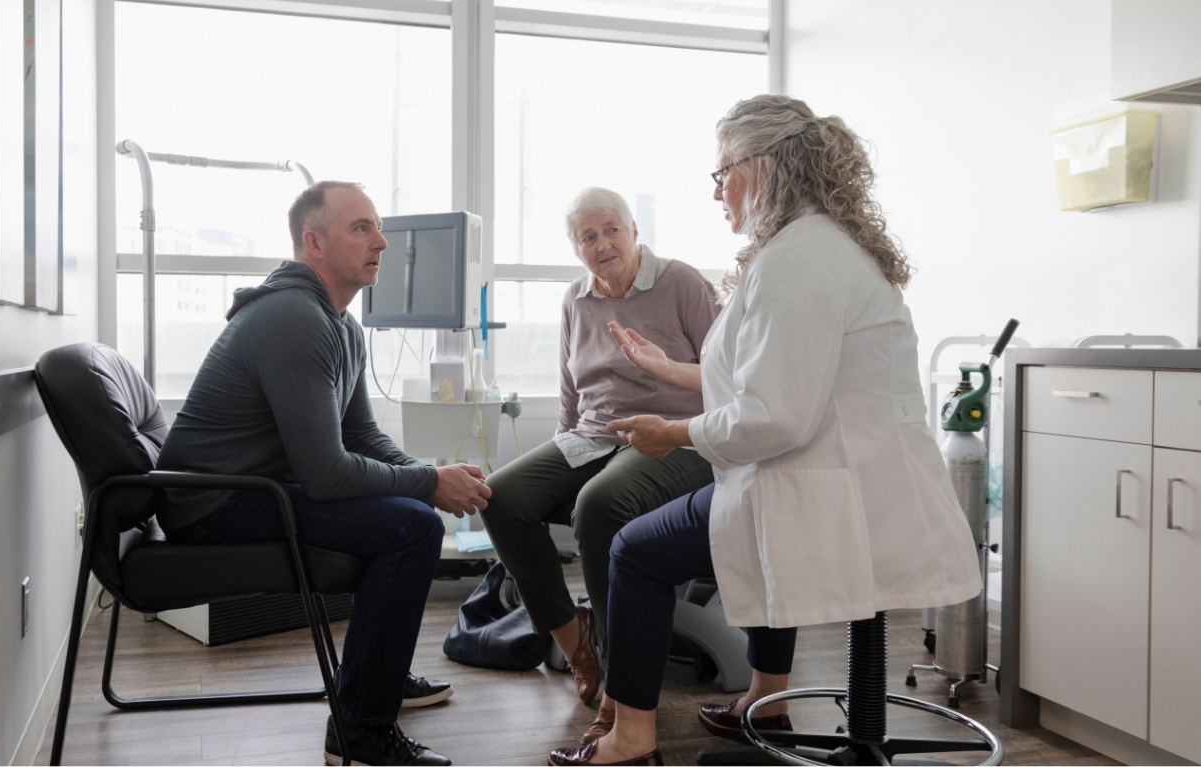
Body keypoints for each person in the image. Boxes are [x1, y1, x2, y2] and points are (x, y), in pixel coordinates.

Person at [547, 96, 983, 767]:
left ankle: (631, 738)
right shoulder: (818, 245)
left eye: (723, 171)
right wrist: (670, 372)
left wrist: (673, 432)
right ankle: (767, 700)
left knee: (633, 550)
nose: (717, 189)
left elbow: (775, 414)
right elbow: (768, 378)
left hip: (820, 490)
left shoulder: (795, 262)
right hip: (855, 482)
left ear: (766, 166)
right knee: (675, 532)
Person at [156, 181, 492, 767]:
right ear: (314, 243)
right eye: (361, 228)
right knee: (412, 528)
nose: (382, 242)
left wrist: (430, 473)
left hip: (252, 487)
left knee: (408, 514)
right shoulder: (293, 317)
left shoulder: (339, 324)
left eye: (378, 227)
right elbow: (327, 476)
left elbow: (361, 437)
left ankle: (376, 676)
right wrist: (430, 485)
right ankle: (360, 732)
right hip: (210, 502)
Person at [478, 187, 719, 741]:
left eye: (612, 229)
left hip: (675, 438)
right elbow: (570, 385)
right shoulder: (576, 298)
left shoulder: (681, 283)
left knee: (599, 505)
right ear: (576, 248)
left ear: (634, 231)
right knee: (500, 495)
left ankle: (620, 683)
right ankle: (574, 642)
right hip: (592, 436)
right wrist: (561, 446)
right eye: (588, 236)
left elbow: (728, 373)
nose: (602, 243)